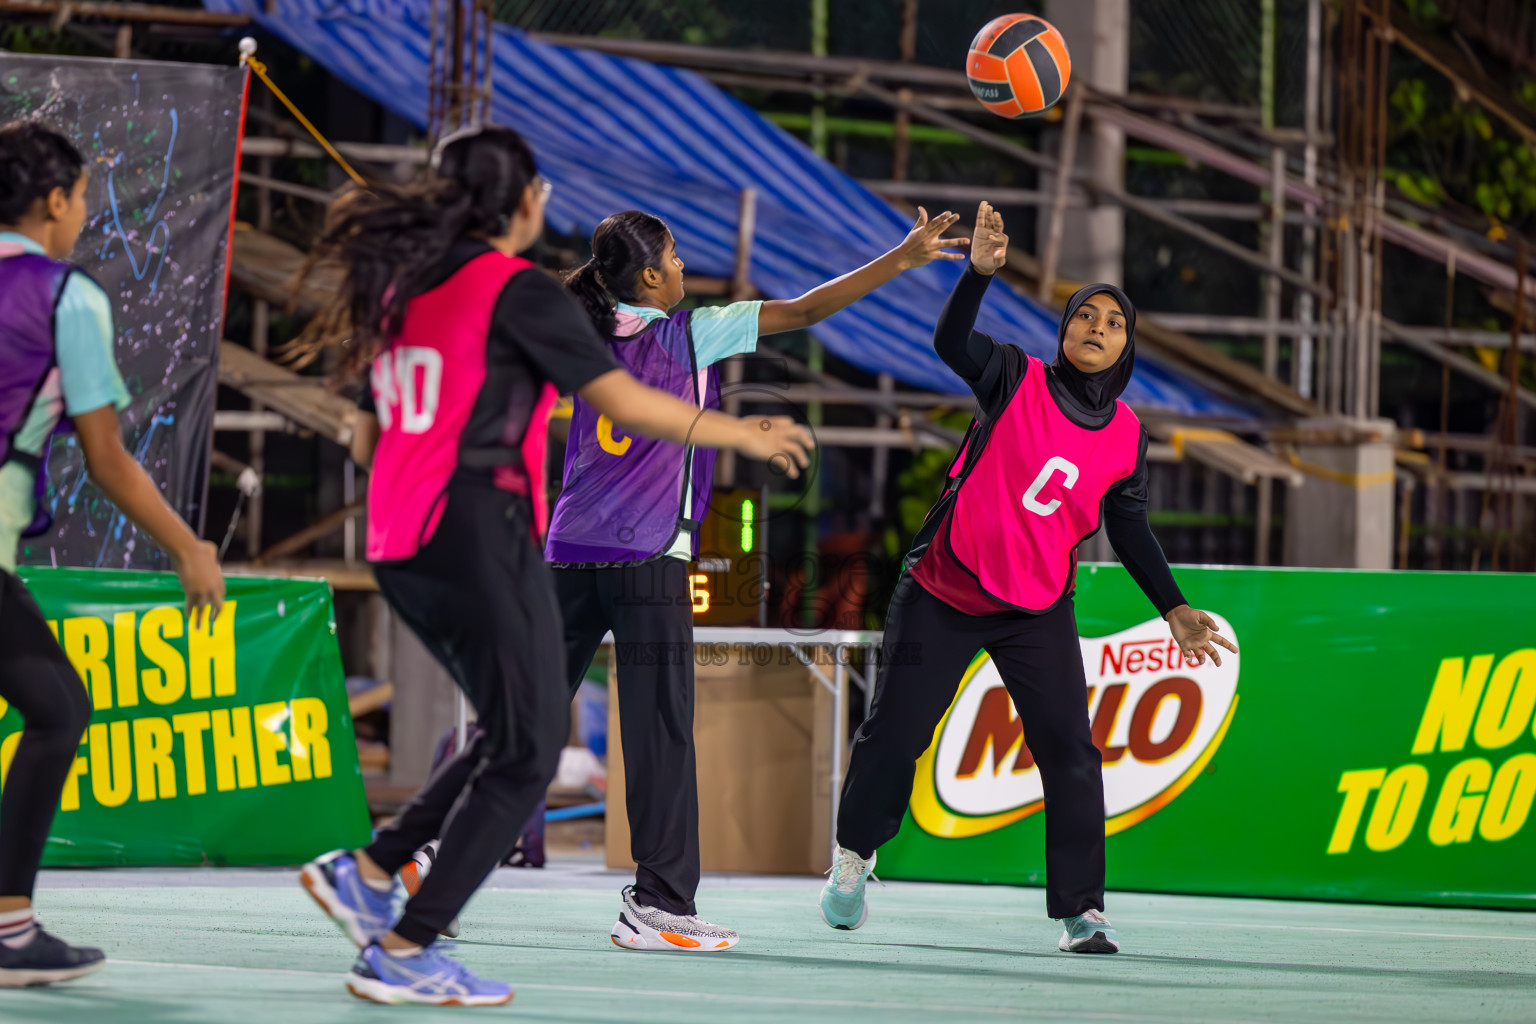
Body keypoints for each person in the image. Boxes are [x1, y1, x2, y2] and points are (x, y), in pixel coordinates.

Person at [293, 125, 812, 1006]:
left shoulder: (408, 289)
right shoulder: (518, 294)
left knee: (515, 726)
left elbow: (362, 427)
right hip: (479, 531)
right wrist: (741, 430)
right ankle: (405, 935)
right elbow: (621, 400)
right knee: (528, 748)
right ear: (521, 200)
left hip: (401, 538)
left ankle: (386, 866)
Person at [817, 202, 1237, 954]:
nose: (1096, 328)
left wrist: (1172, 606)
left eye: (1112, 322)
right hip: (945, 587)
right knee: (893, 736)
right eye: (1085, 317)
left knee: (1071, 753)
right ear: (1065, 329)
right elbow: (949, 340)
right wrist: (978, 276)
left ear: (1125, 345)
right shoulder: (1014, 375)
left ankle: (1082, 910)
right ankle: (854, 854)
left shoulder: (1130, 437)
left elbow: (1129, 526)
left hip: (1035, 607)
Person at [548, 207, 967, 951]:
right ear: (649, 278)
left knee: (522, 716)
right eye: (673, 258)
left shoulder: (579, 332)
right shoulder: (690, 331)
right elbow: (807, 308)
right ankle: (659, 904)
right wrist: (901, 259)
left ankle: (426, 860)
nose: (683, 267)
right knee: (662, 734)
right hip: (646, 558)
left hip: (569, 546)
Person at [0, 120, 225, 986]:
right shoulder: (66, 297)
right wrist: (188, 547)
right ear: (55, 201)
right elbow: (108, 458)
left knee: (54, 704)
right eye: (85, 195)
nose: (88, 211)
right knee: (57, 711)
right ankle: (10, 928)